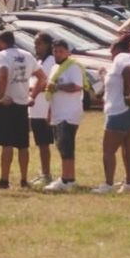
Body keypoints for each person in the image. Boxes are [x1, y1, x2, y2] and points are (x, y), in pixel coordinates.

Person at [94, 34, 130, 193]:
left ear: (116, 49)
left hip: (120, 109)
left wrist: (126, 95)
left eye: (111, 51)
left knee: (108, 150)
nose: (110, 55)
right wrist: (104, 75)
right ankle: (129, 183)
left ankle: (108, 184)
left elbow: (127, 71)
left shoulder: (122, 58)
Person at [0, 29, 37, 189]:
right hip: (22, 103)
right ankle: (24, 179)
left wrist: (1, 97)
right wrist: (33, 95)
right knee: (23, 144)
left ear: (1, 42)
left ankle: (4, 180)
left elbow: (3, 74)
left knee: (7, 143)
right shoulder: (27, 55)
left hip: (8, 103)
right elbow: (41, 76)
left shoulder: (2, 56)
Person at [44, 34, 86, 191]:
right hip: (57, 112)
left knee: (67, 146)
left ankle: (68, 179)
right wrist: (49, 112)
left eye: (61, 51)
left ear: (68, 52)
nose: (57, 54)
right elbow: (50, 90)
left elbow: (77, 86)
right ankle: (66, 177)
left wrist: (59, 87)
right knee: (61, 146)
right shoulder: (55, 67)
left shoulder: (72, 66)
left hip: (69, 113)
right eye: (55, 51)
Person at [28, 30, 56, 187]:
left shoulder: (50, 61)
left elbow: (45, 81)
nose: (36, 47)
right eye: (35, 44)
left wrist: (32, 95)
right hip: (36, 108)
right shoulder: (39, 62)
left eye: (39, 43)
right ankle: (44, 171)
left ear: (47, 44)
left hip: (43, 107)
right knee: (40, 142)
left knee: (44, 143)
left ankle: (46, 173)